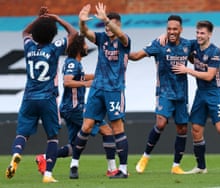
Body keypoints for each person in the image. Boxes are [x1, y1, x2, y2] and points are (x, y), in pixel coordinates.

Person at [5, 7, 77, 183]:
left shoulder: (29, 47)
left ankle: (16, 155)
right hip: (48, 98)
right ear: (52, 35)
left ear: (36, 34)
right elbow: (73, 33)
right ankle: (48, 175)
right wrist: (56, 18)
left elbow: (25, 31)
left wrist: (40, 19)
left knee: (22, 133)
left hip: (29, 97)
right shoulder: (54, 48)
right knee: (52, 137)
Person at [35, 34, 118, 178]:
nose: (87, 47)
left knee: (74, 147)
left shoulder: (73, 63)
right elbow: (67, 82)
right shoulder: (73, 63)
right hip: (75, 108)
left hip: (70, 108)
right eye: (85, 45)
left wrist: (100, 75)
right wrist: (86, 84)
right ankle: (112, 169)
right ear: (79, 47)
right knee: (107, 131)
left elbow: (80, 77)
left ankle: (44, 157)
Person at [171, 20, 220, 174]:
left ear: (210, 35)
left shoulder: (215, 52)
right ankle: (201, 166)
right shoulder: (194, 45)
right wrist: (164, 36)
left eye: (202, 33)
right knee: (196, 129)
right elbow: (178, 39)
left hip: (214, 93)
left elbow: (209, 76)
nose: (199, 36)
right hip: (200, 93)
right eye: (198, 32)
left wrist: (187, 70)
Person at [69, 2, 130, 179]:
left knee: (117, 128)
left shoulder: (124, 41)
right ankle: (74, 165)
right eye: (105, 25)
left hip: (114, 90)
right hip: (97, 89)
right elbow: (86, 33)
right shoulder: (102, 38)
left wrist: (106, 20)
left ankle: (123, 169)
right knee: (86, 126)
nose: (108, 28)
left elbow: (121, 35)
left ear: (118, 26)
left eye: (111, 25)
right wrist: (81, 22)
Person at [129, 15, 192, 174]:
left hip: (182, 94)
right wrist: (121, 51)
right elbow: (136, 56)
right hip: (164, 92)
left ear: (180, 30)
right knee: (161, 124)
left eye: (174, 29)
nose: (171, 31)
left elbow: (195, 57)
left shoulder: (187, 45)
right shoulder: (159, 44)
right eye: (169, 29)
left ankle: (176, 166)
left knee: (182, 129)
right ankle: (145, 157)